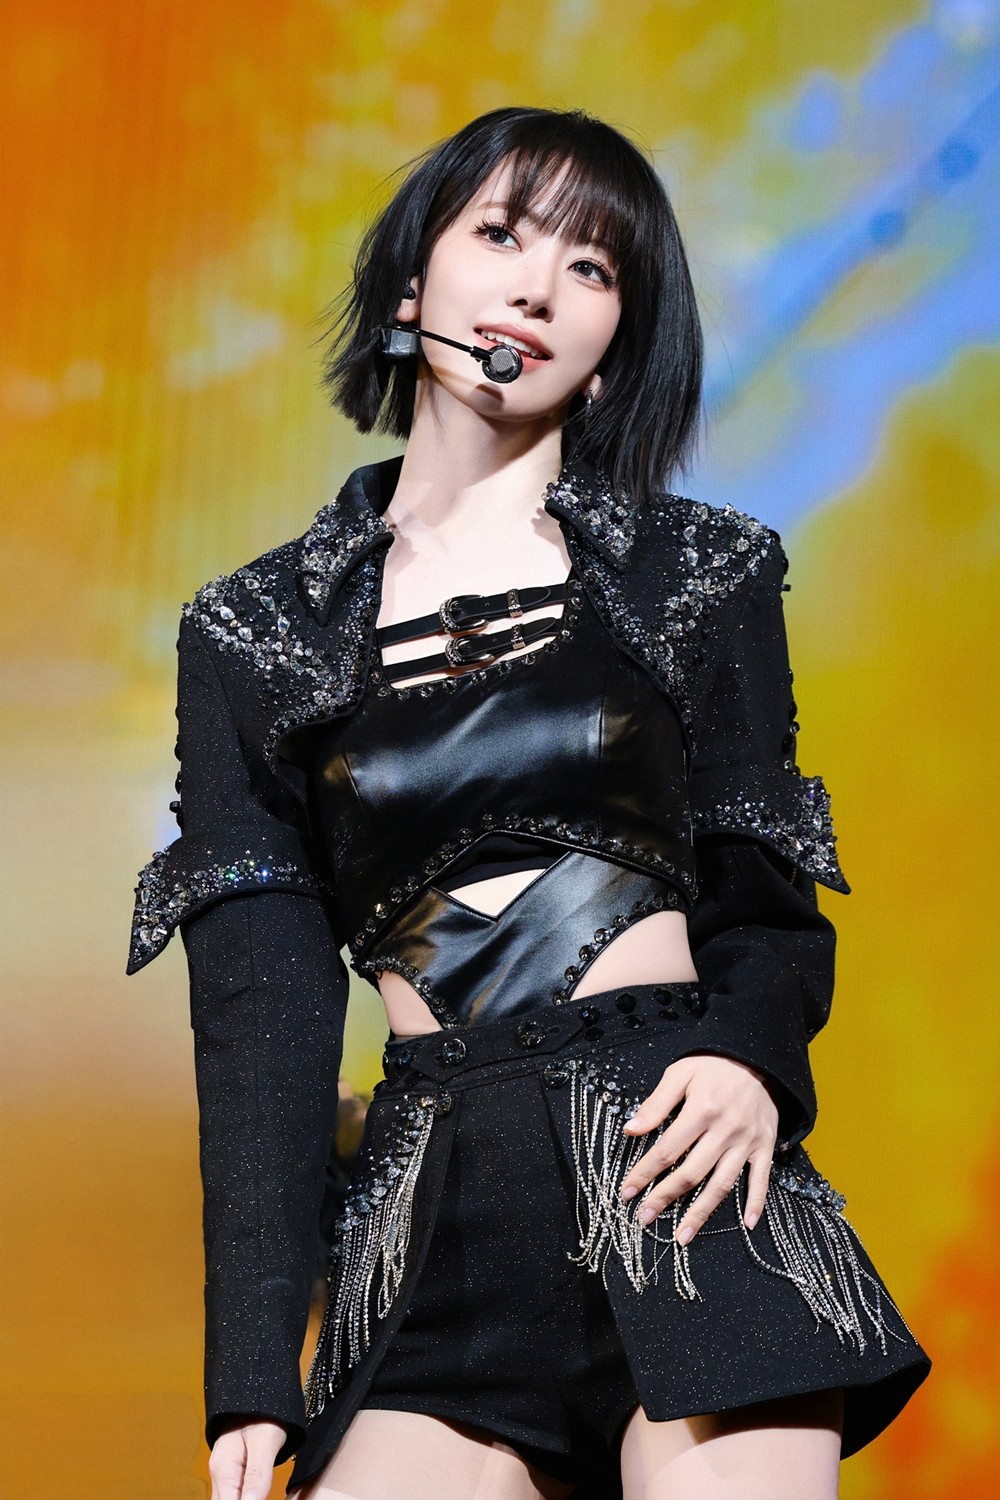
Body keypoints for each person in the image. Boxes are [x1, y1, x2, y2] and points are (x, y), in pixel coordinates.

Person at [128, 107, 930, 1500]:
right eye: (500, 234)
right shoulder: (256, 633)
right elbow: (260, 1026)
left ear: (614, 343)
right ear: (411, 286)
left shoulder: (699, 573)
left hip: (679, 1178)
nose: (538, 287)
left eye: (592, 267)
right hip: (432, 1218)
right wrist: (250, 1372)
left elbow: (767, 906)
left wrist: (749, 1062)